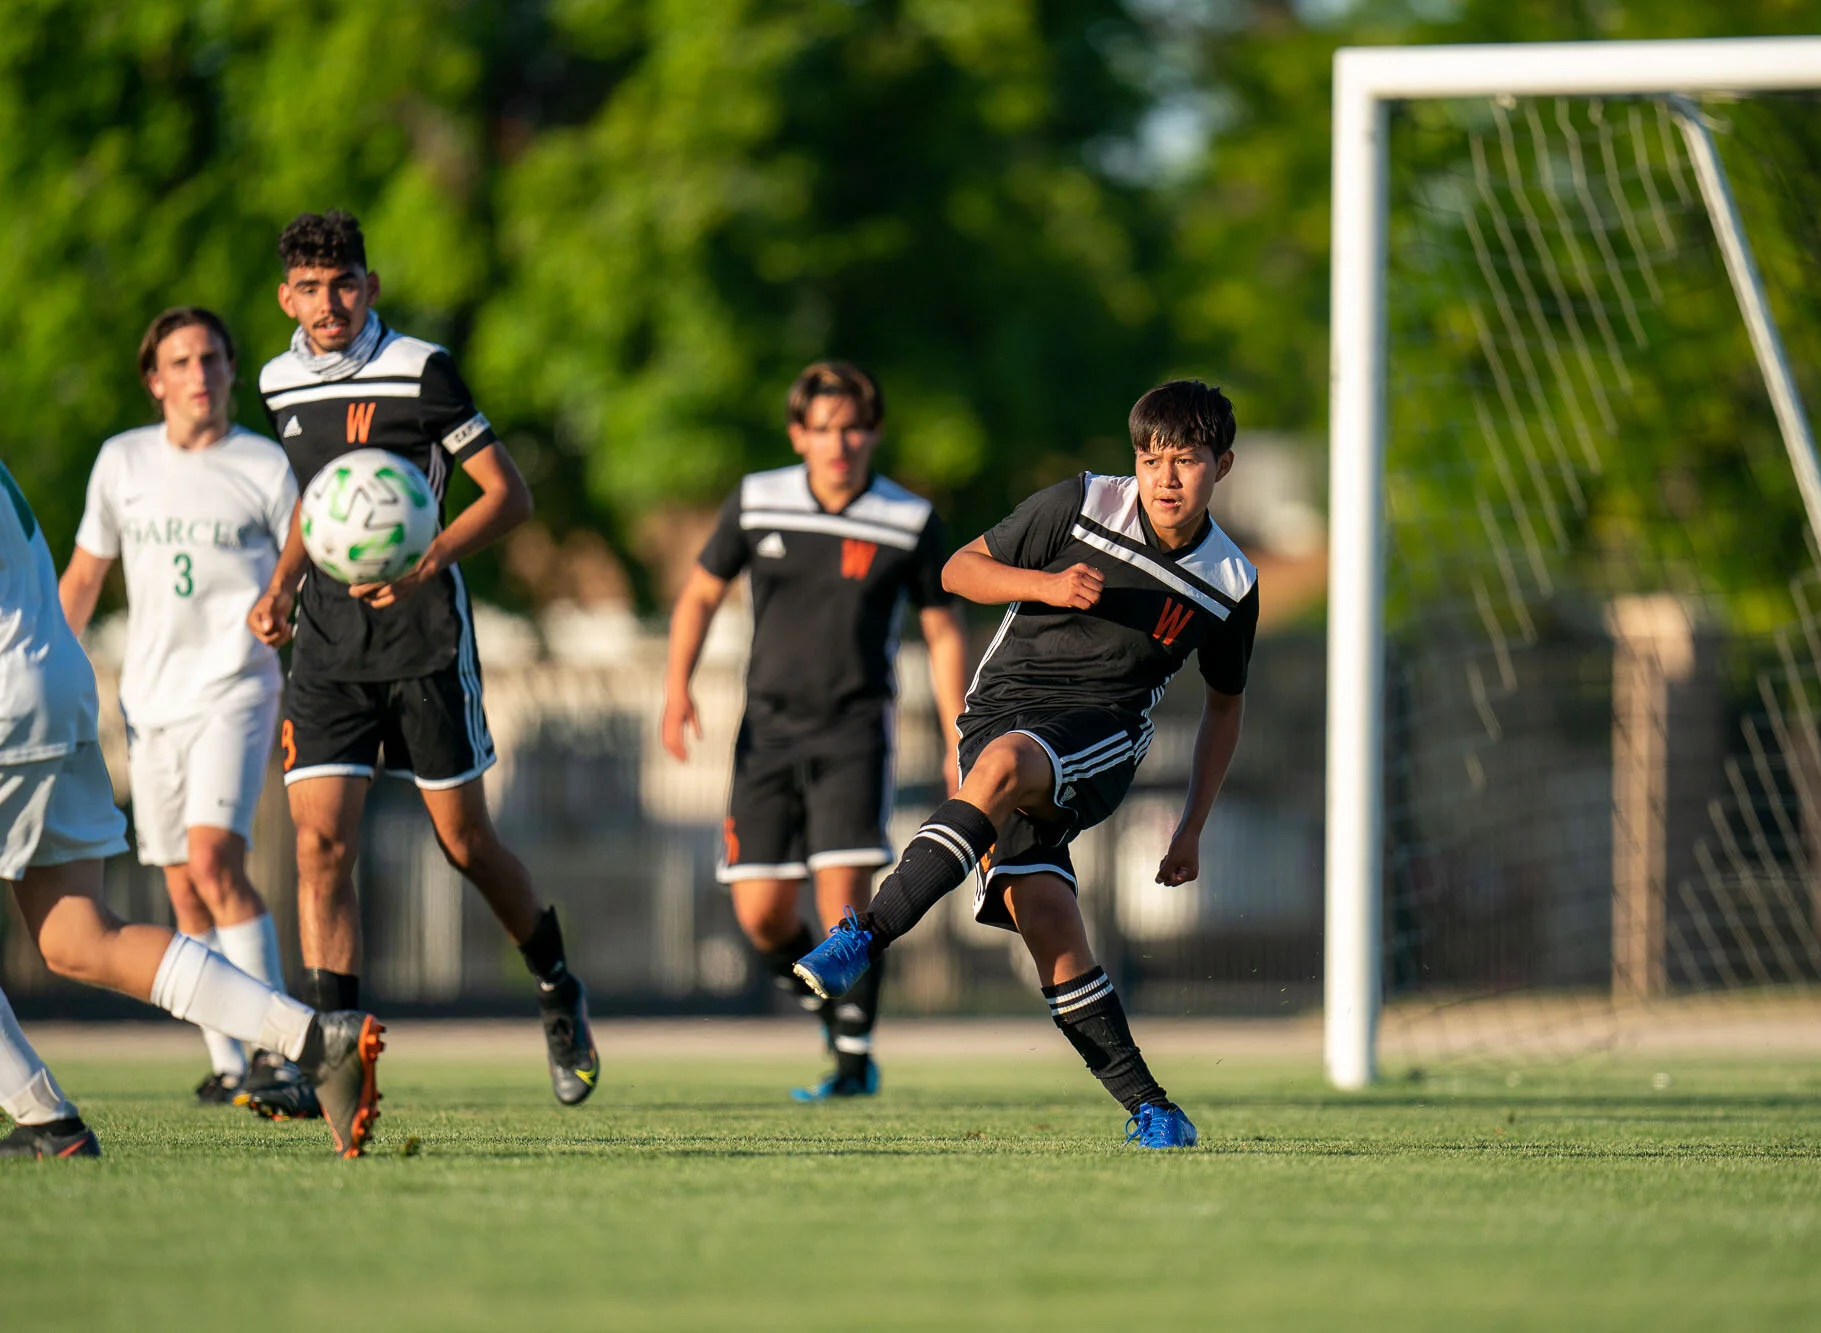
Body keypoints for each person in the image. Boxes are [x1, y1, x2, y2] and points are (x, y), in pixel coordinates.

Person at [794, 379, 1258, 1147]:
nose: (1166, 478)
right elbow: (957, 570)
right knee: (1045, 917)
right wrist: (1046, 585)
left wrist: (1191, 827)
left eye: (1186, 460)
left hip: (1102, 730)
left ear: (1224, 465)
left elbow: (1225, 707)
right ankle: (1155, 1109)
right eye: (1151, 459)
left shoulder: (1230, 581)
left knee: (1009, 764)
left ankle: (866, 934)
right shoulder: (1080, 503)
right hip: (997, 712)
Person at [244, 210, 597, 1112]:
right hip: (327, 646)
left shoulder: (421, 369)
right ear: (287, 298)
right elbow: (319, 502)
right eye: (311, 289)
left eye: (344, 284)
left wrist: (427, 560)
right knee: (321, 845)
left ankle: (556, 984)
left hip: (425, 641)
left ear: (370, 286)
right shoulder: (279, 381)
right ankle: (335, 1062)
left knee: (464, 842)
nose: (330, 303)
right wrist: (282, 583)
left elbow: (508, 495)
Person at [0, 458, 382, 1160]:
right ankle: (312, 1041)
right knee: (80, 936)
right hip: (53, 682)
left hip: (9, 696)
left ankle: (44, 1115)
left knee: (180, 882)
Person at [662, 362, 967, 1099]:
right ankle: (832, 1014)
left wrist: (960, 734)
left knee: (843, 906)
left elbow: (944, 629)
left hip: (854, 732)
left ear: (875, 432)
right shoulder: (757, 500)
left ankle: (854, 1062)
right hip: (765, 733)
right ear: (799, 434)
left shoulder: (909, 519)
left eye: (854, 427)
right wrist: (676, 687)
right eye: (824, 428)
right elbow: (700, 593)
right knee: (761, 913)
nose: (840, 443)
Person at [58, 307, 303, 1109]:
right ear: (155, 380)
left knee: (214, 860)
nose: (200, 373)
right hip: (150, 698)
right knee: (184, 888)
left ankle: (280, 1049)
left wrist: (282, 601)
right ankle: (230, 1062)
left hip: (236, 684)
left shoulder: (263, 464)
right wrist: (45, 666)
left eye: (212, 358)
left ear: (232, 370)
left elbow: (308, 557)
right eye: (182, 361)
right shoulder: (122, 461)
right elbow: (86, 574)